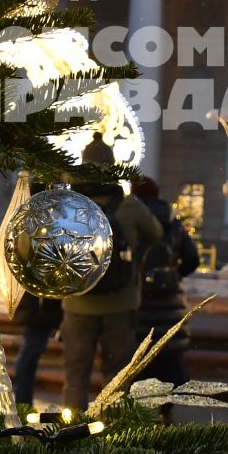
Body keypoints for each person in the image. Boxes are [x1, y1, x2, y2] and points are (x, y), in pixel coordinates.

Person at [62, 176, 163, 411]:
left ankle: (71, 432)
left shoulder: (68, 206)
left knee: (76, 376)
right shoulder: (129, 205)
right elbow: (156, 234)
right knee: (117, 376)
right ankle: (113, 434)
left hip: (77, 304)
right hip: (120, 304)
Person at [132, 178, 200, 385]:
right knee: (168, 351)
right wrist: (173, 275)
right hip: (169, 300)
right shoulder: (173, 221)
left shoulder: (131, 218)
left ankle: (139, 407)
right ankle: (167, 407)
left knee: (140, 353)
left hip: (139, 299)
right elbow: (193, 259)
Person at [8, 291, 61, 408]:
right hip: (38, 312)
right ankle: (23, 406)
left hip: (45, 310)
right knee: (26, 364)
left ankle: (23, 406)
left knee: (25, 364)